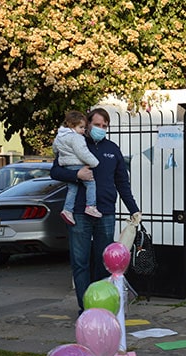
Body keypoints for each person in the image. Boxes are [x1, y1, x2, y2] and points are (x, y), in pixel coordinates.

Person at [50, 108, 142, 314]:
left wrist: (134, 210)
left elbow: (122, 182)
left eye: (104, 126)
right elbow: (54, 171)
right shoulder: (74, 143)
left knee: (104, 262)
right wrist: (77, 176)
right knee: (80, 262)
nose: (100, 129)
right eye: (96, 125)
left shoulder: (112, 149)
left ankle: (101, 304)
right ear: (87, 124)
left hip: (105, 212)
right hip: (79, 213)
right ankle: (86, 307)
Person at [52, 110, 102, 225]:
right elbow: (83, 153)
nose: (83, 130)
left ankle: (67, 210)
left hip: (66, 166)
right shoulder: (77, 137)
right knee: (91, 183)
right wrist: (95, 163)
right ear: (72, 125)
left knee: (72, 188)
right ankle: (91, 206)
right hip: (77, 164)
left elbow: (55, 150)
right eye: (81, 127)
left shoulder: (59, 137)